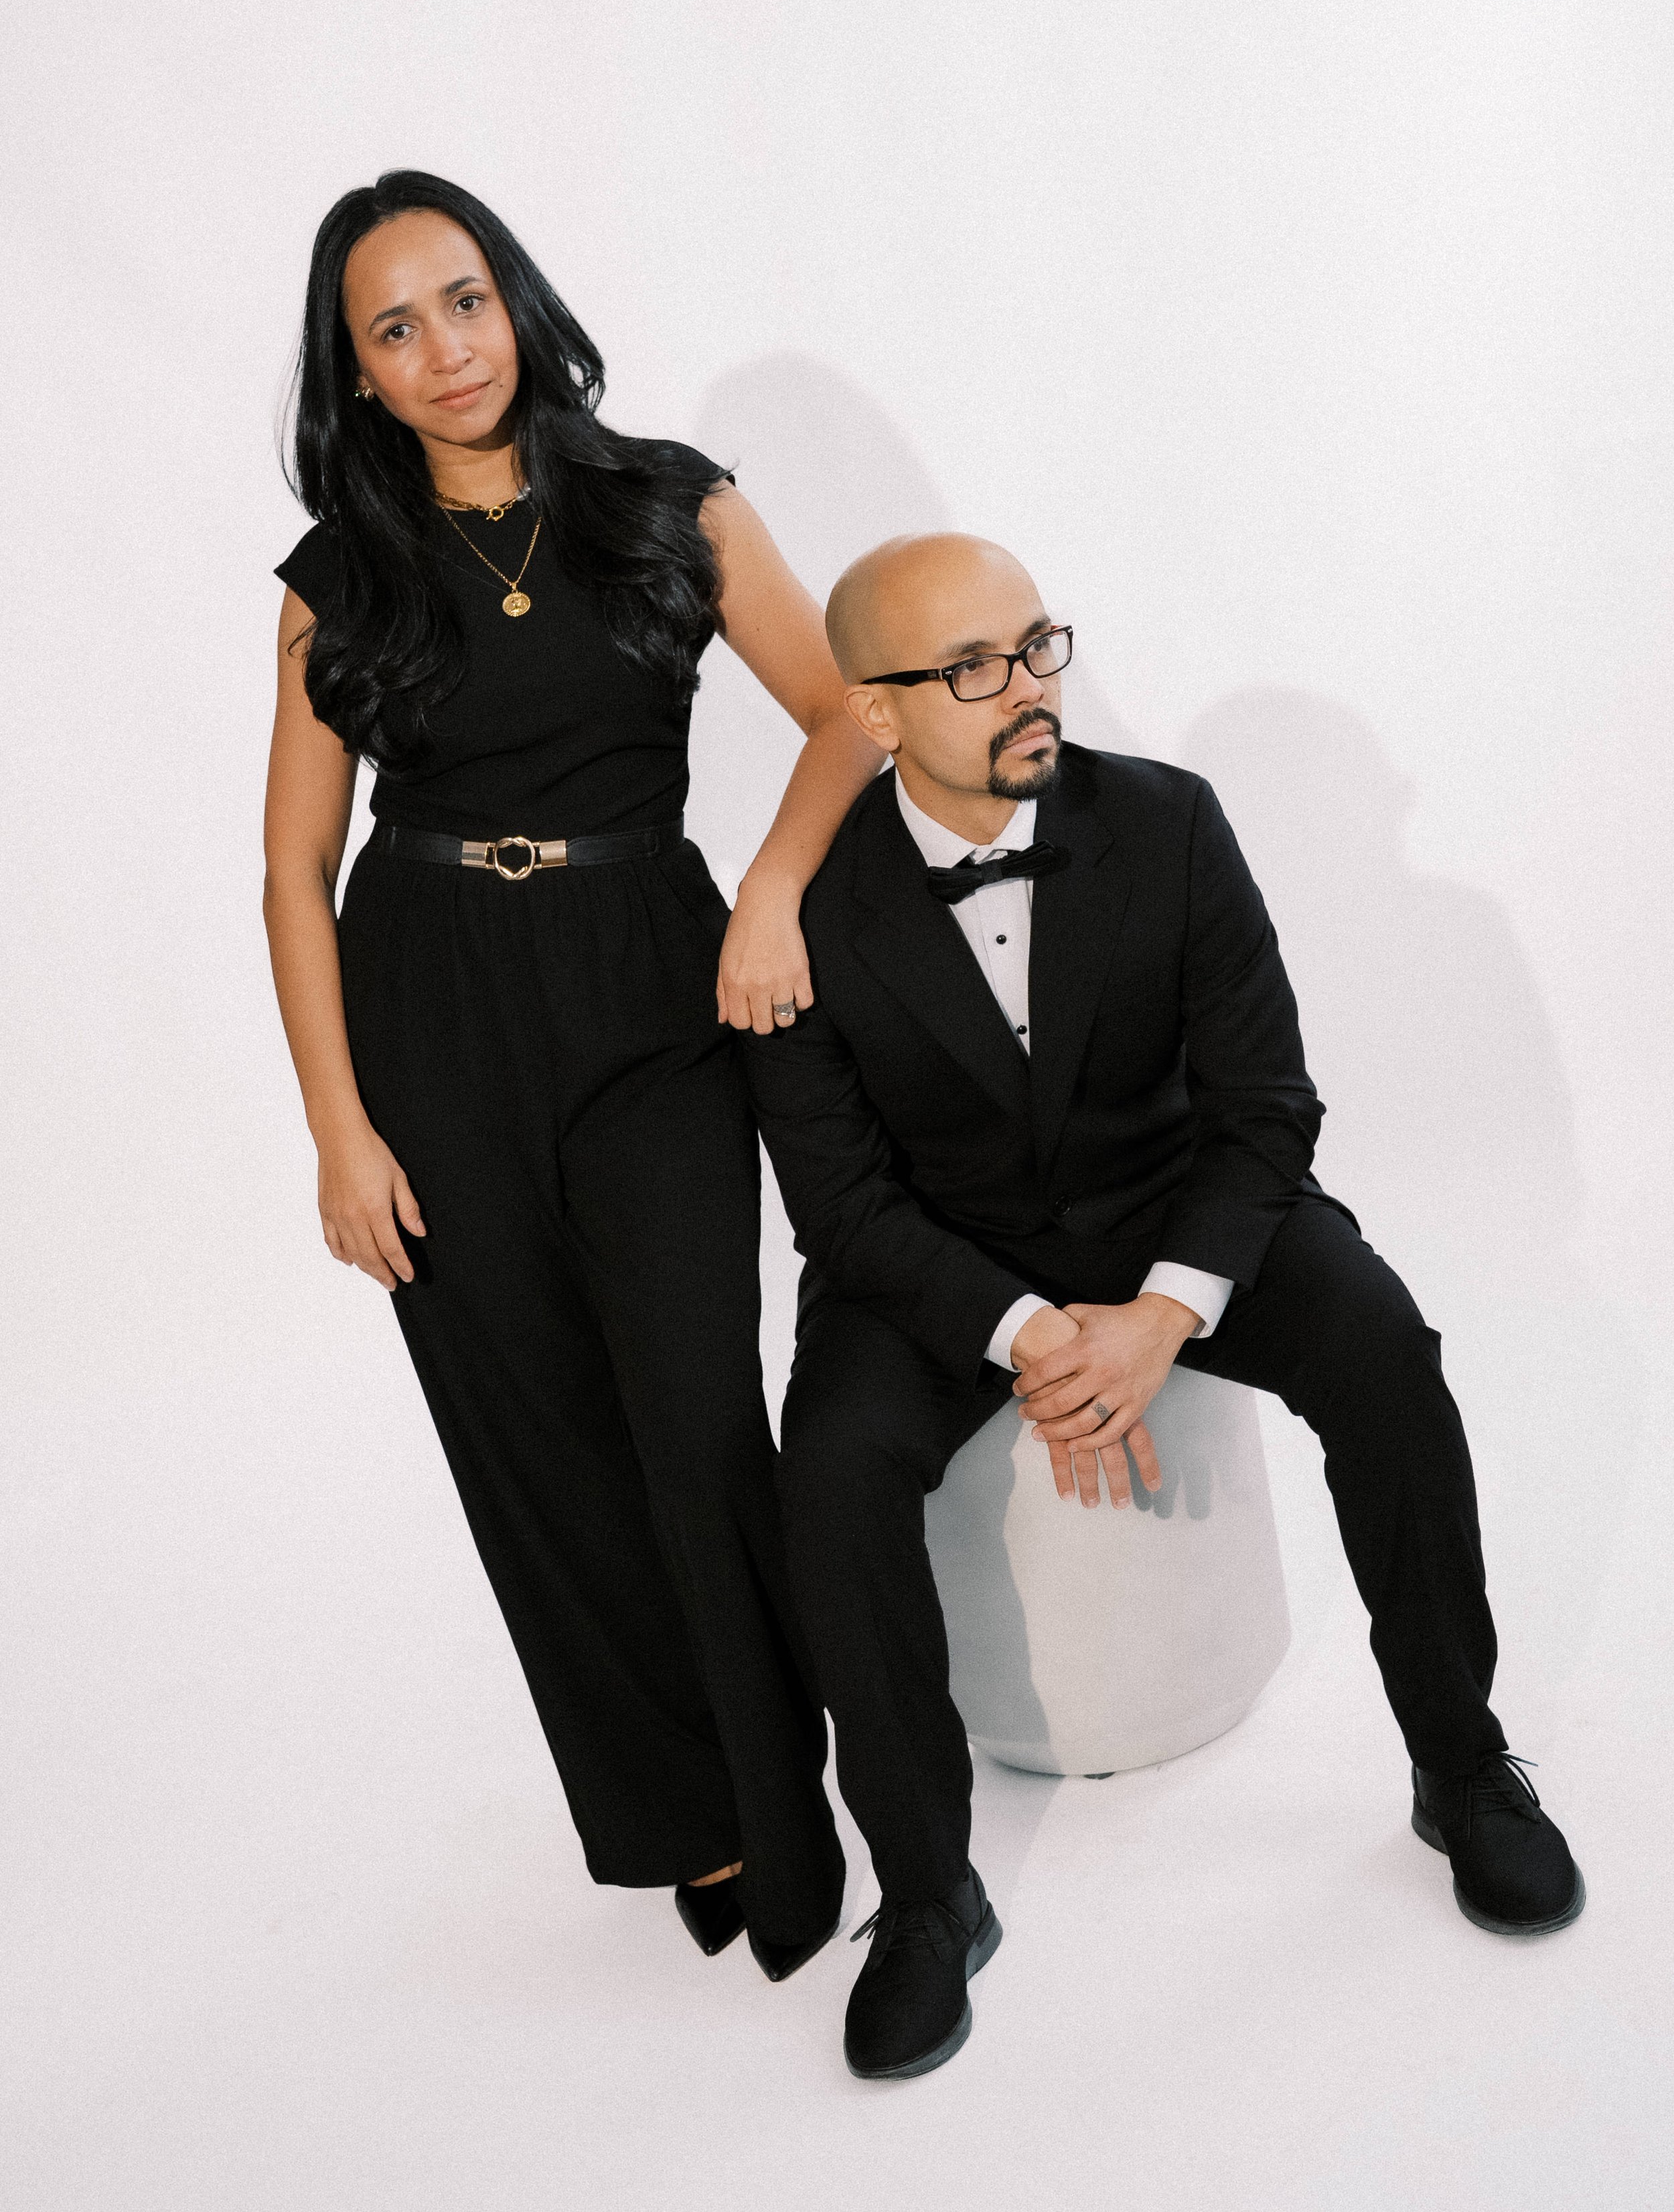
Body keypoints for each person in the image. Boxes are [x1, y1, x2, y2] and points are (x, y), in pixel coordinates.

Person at [744, 532, 1584, 2083]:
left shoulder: (1167, 822)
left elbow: (1266, 1105)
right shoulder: (798, 913)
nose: (1027, 690)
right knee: (831, 1475)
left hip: (1175, 1219)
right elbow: (842, 1208)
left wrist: (1159, 1313)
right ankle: (931, 1895)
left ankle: (1459, 1766)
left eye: (1037, 644)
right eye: (974, 668)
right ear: (872, 714)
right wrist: (1027, 1333)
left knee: (1384, 1350)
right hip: (928, 1264)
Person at [262, 170, 881, 1975]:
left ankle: (793, 1795)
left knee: (694, 1412)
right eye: (393, 327)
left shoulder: (662, 502)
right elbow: (294, 867)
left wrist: (768, 886)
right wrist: (335, 1126)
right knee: (538, 1434)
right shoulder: (335, 581)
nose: (444, 349)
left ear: (515, 297)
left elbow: (849, 707)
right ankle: (681, 1810)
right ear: (357, 372)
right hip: (428, 1001)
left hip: (648, 979)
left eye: (464, 298)